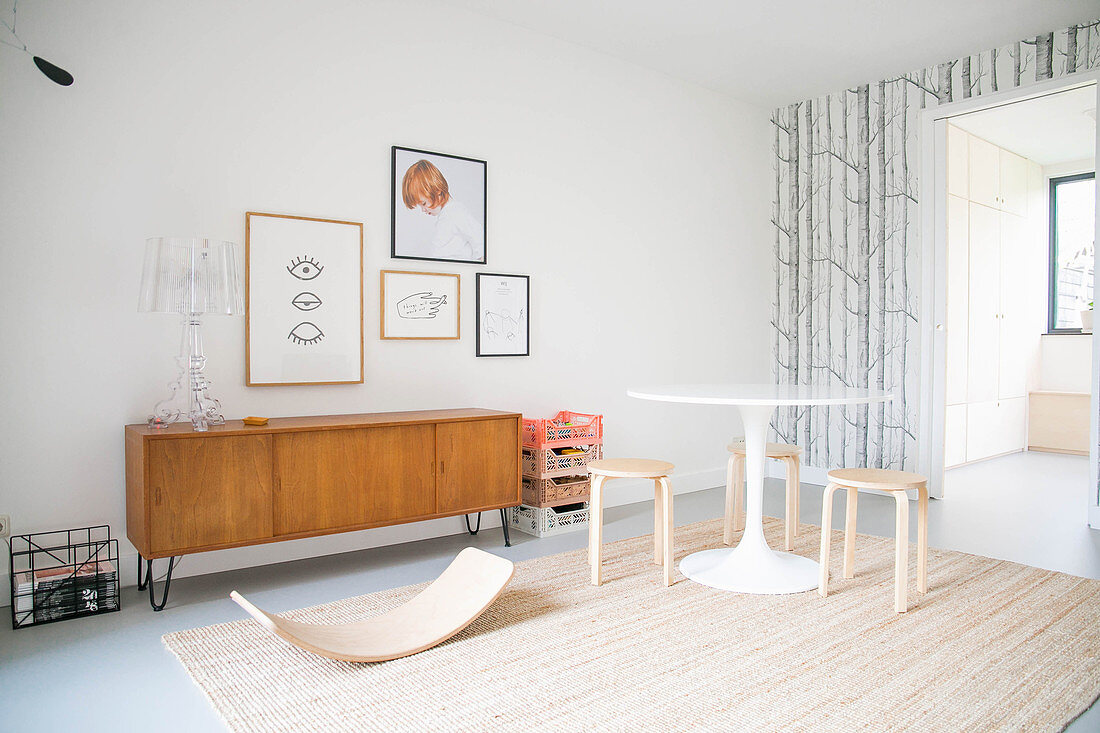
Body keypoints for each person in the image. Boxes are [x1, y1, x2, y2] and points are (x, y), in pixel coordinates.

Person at [401, 159, 484, 261]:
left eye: (424, 204)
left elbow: (480, 239)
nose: (423, 210)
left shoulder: (455, 211)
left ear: (437, 191)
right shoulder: (446, 215)